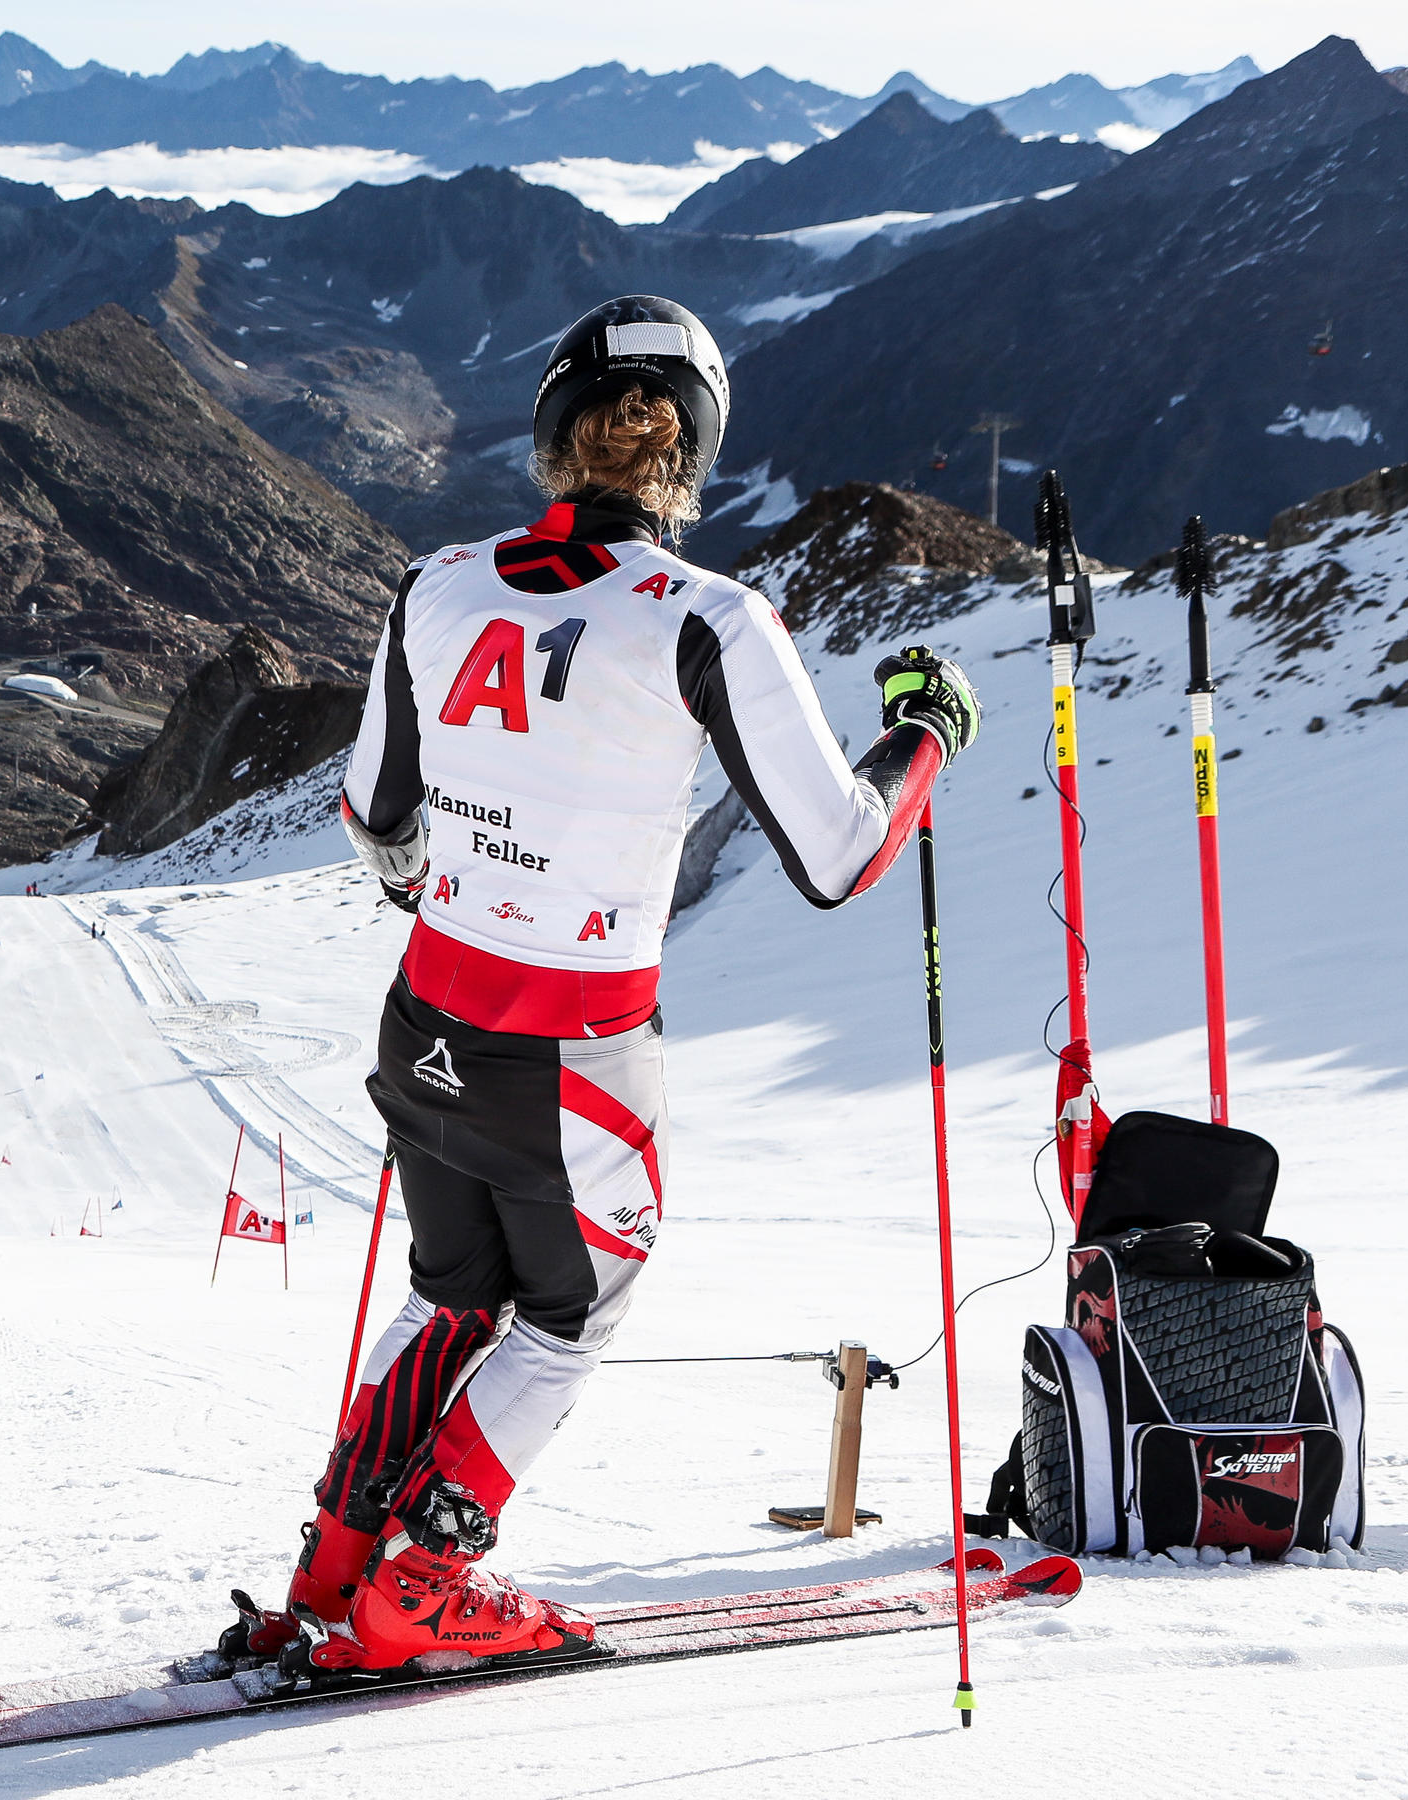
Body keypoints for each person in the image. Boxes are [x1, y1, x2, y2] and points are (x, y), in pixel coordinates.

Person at [243, 296, 980, 1677]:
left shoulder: (439, 583)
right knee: (576, 1312)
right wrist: (923, 737)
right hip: (575, 1047)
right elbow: (838, 855)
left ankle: (334, 1564)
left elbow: (370, 809)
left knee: (450, 1294)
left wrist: (444, 875)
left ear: (550, 435)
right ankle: (430, 1578)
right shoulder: (707, 618)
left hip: (428, 1022)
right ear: (688, 451)